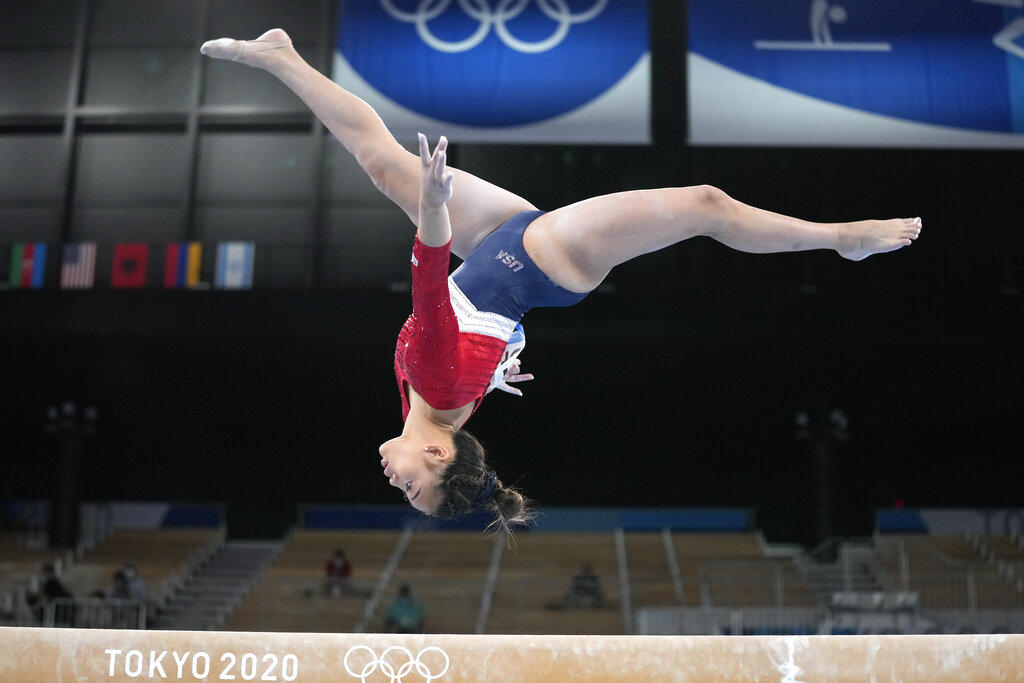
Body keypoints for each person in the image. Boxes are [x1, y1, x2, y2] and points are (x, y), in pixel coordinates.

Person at [200, 29, 922, 536]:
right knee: (705, 203)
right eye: (415, 486)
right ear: (437, 457)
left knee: (380, 161)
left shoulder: (440, 410)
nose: (397, 482)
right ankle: (841, 240)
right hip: (543, 259)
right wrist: (432, 207)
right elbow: (427, 284)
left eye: (407, 495)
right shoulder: (438, 388)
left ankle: (283, 57)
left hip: (497, 253)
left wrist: (501, 350)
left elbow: (460, 341)